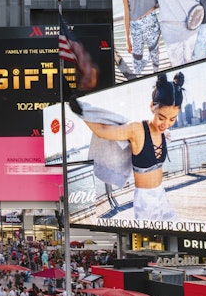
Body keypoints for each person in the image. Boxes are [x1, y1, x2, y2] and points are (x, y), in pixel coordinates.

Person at [74, 72, 185, 221]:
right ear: (152, 106)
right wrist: (80, 110)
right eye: (161, 118)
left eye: (172, 119)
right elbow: (102, 131)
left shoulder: (163, 133)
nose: (165, 124)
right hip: (145, 201)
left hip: (162, 195)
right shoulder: (137, 129)